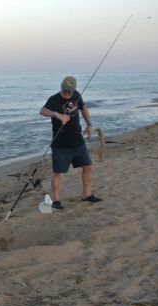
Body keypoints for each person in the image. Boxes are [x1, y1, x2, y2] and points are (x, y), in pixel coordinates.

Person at [39, 75, 102, 209]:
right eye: (65, 89)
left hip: (77, 140)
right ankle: (56, 200)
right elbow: (42, 111)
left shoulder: (77, 95)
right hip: (60, 142)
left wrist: (89, 124)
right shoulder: (54, 99)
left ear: (74, 89)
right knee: (58, 172)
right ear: (61, 87)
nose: (67, 92)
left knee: (88, 166)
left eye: (70, 90)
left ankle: (87, 194)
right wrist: (57, 114)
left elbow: (83, 108)